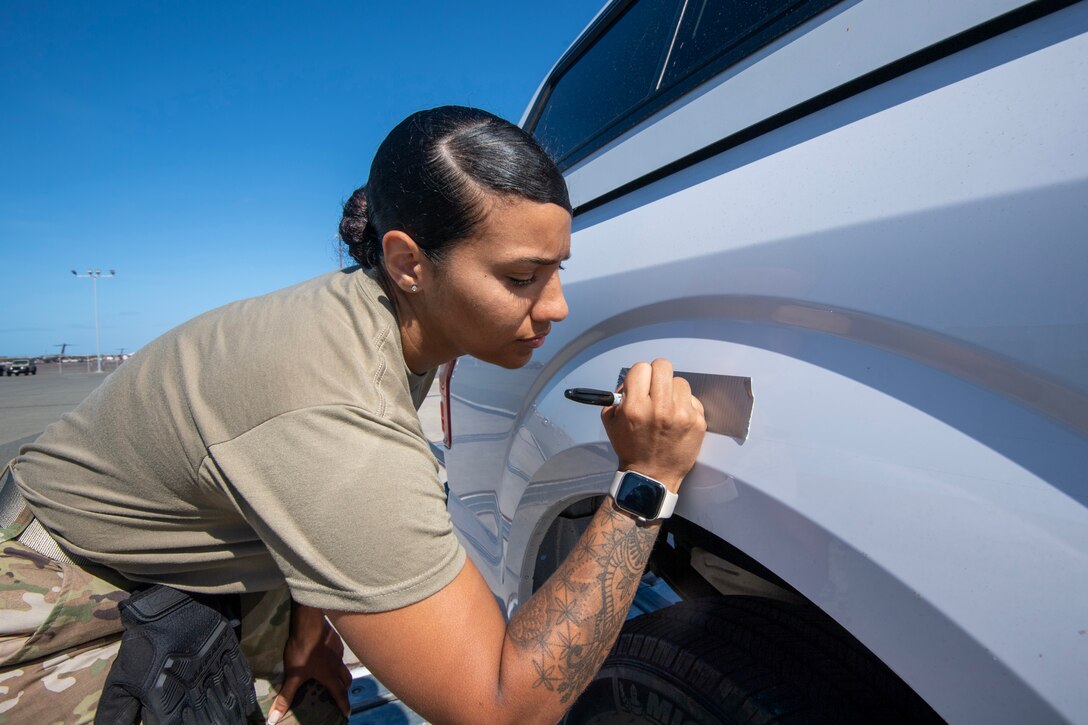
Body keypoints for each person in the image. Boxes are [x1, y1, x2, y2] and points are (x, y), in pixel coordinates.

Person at [0, 105, 706, 724]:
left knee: (314, 690)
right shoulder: (334, 405)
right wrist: (645, 482)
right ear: (407, 262)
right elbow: (497, 705)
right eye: (521, 278)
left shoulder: (389, 318)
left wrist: (309, 621)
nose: (555, 307)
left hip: (197, 547)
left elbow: (286, 487)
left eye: (557, 270)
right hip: (54, 593)